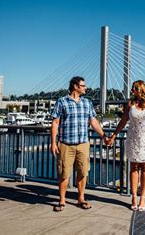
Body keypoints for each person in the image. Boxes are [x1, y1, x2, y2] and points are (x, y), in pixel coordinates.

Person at [50, 76, 109, 212]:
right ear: (76, 86)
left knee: (83, 172)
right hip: (66, 144)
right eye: (83, 85)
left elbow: (93, 122)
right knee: (64, 173)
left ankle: (81, 198)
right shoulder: (62, 102)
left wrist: (104, 136)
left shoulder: (87, 103)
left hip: (83, 144)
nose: (86, 87)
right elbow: (55, 123)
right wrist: (53, 143)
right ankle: (62, 201)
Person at [108, 80, 145, 211]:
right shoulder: (131, 103)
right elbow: (123, 121)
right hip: (133, 139)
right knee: (134, 167)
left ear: (141, 89)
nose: (132, 91)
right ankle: (134, 197)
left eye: (134, 89)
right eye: (132, 89)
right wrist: (114, 135)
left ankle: (142, 198)